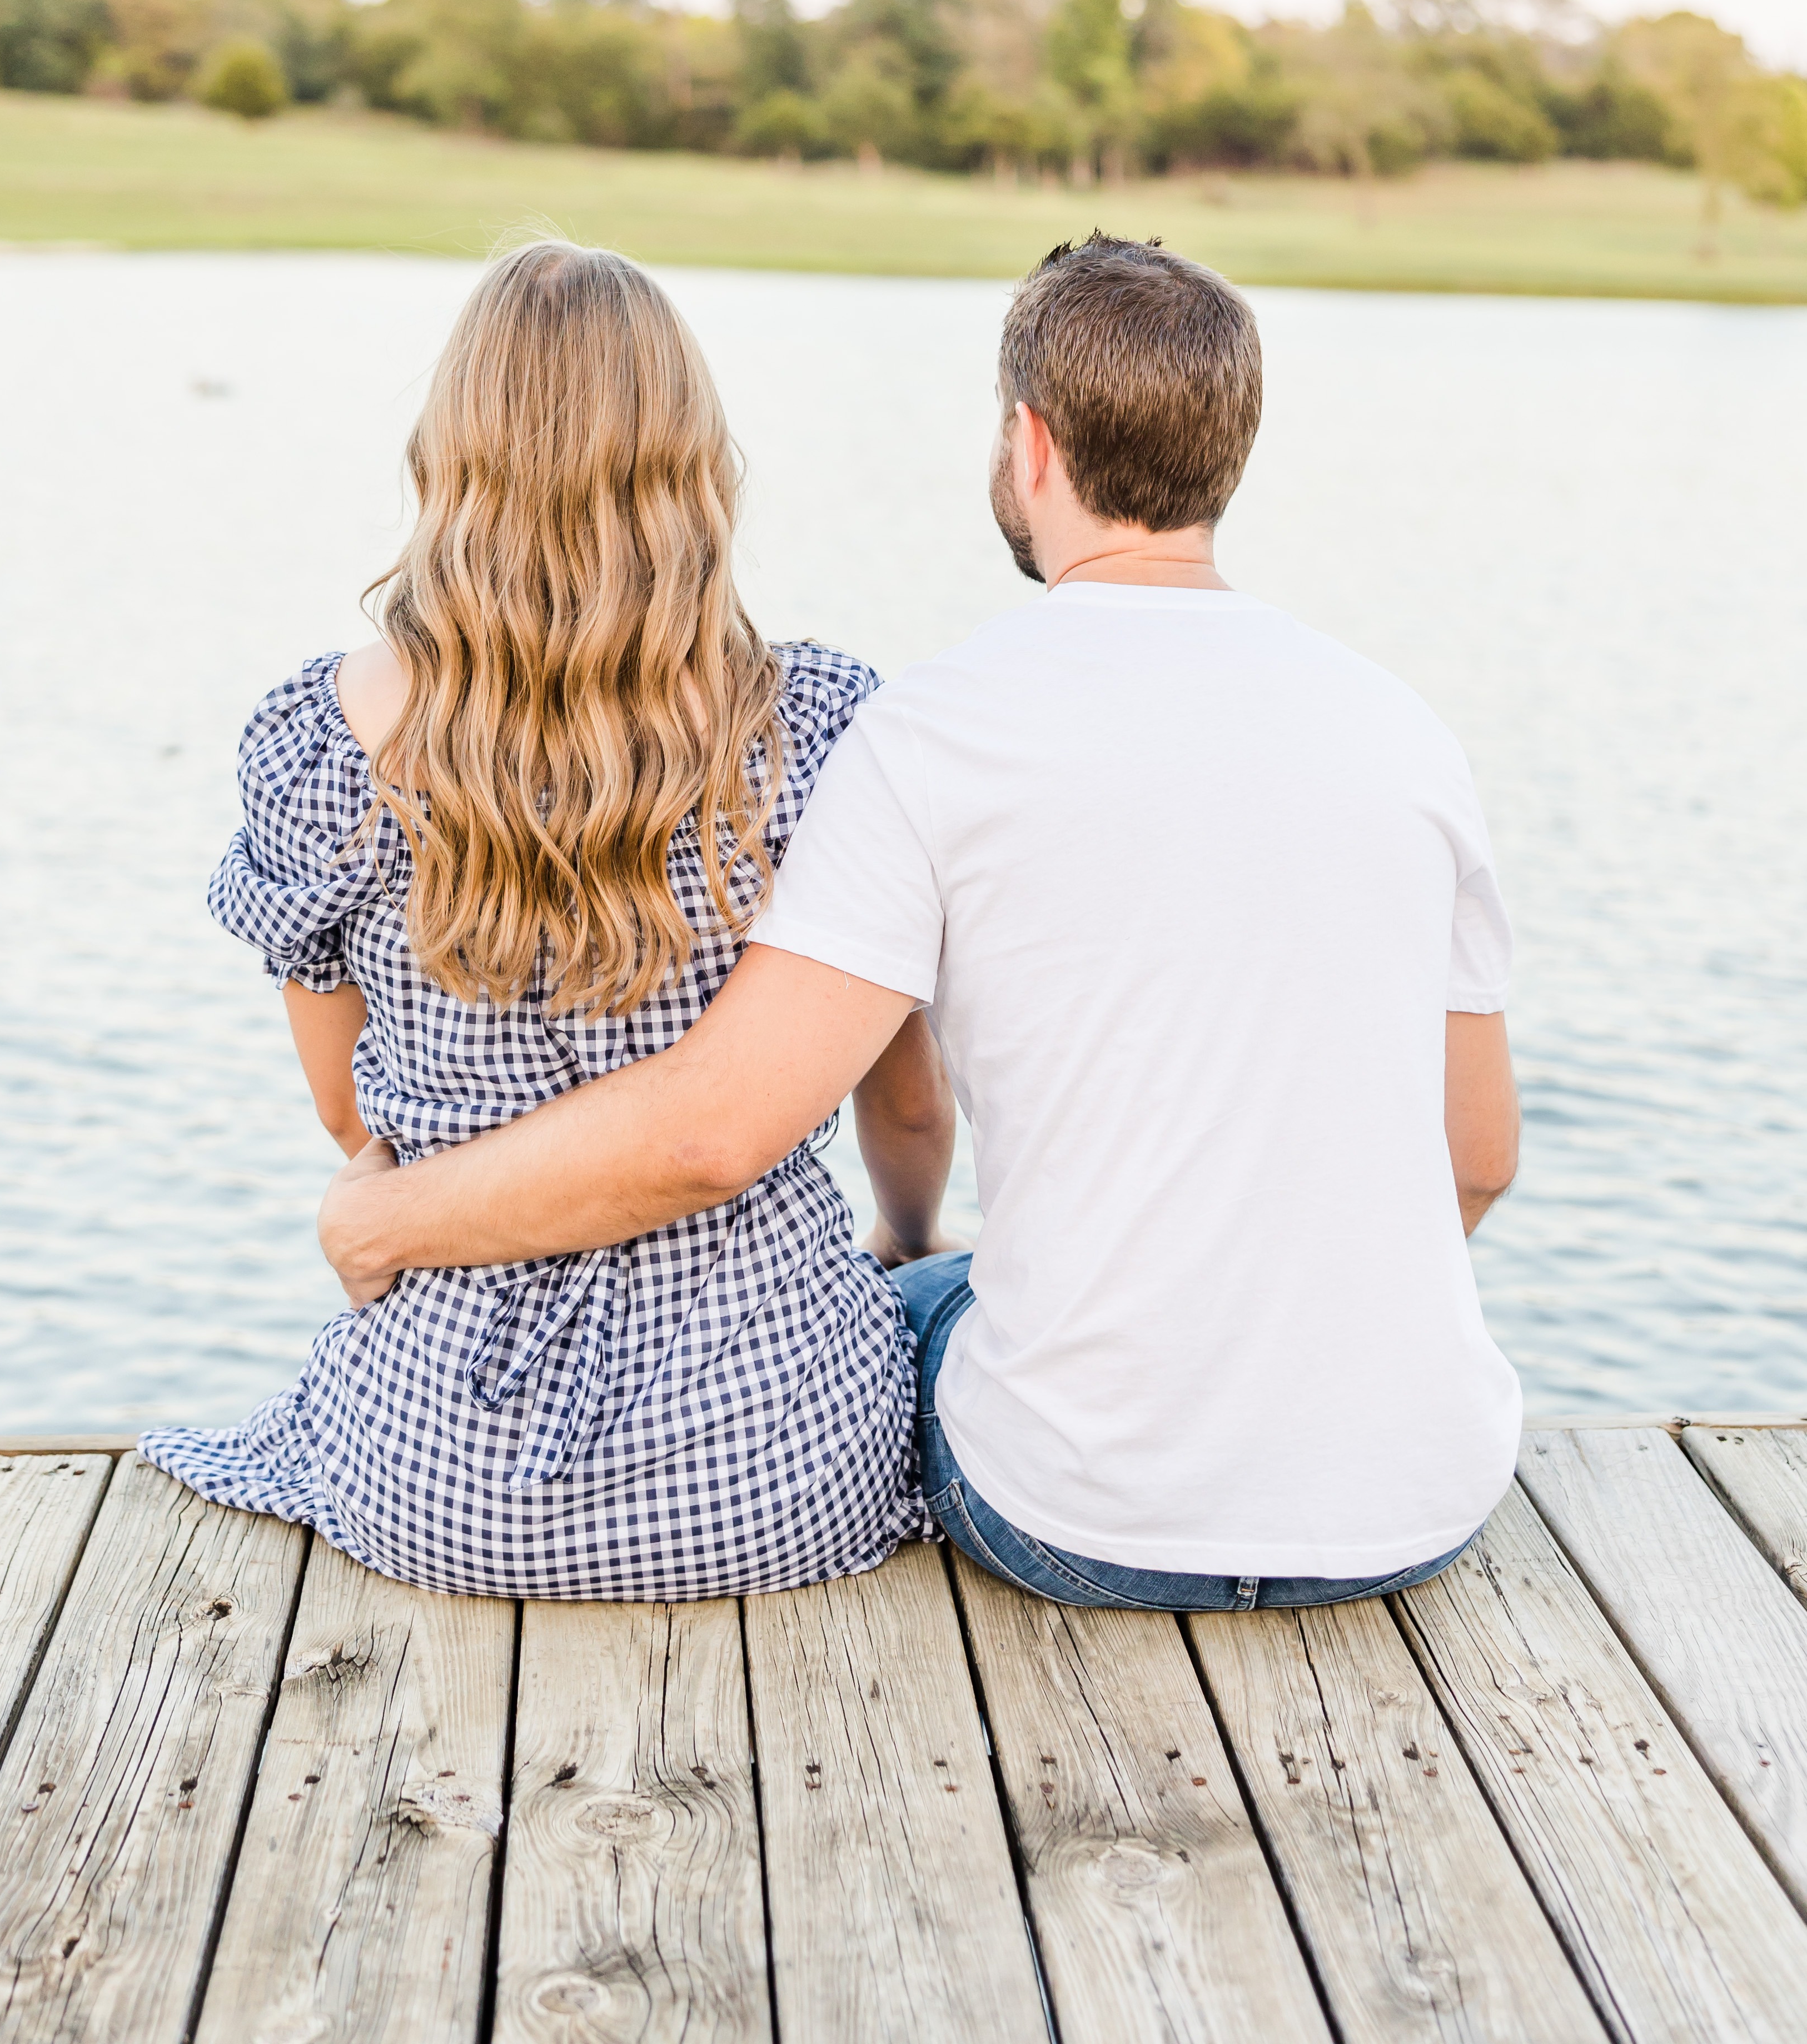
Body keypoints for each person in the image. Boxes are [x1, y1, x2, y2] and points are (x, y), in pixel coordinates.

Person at [318, 232, 1524, 1611]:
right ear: (1228, 456)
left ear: (1029, 446)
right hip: (1415, 1506)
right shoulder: (1407, 737)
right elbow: (1476, 1160)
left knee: (913, 1303)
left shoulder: (939, 731)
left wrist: (385, 1223)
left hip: (1077, 1521)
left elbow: (719, 1130)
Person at [140, 241, 948, 1600]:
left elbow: (352, 1122)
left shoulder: (322, 743)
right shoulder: (818, 734)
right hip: (766, 1472)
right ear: (694, 463)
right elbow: (909, 1106)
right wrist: (910, 1243)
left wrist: (382, 1205)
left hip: (435, 1476)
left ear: (451, 455)